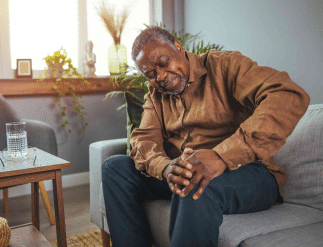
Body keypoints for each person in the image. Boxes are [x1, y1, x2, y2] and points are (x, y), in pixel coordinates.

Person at [102, 26, 310, 247]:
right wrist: (165, 167)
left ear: (178, 48)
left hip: (250, 173)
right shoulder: (155, 95)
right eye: (150, 74)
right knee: (115, 169)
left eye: (163, 63)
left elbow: (287, 95)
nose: (160, 77)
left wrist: (220, 156)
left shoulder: (225, 66)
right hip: (187, 171)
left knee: (195, 179)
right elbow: (143, 139)